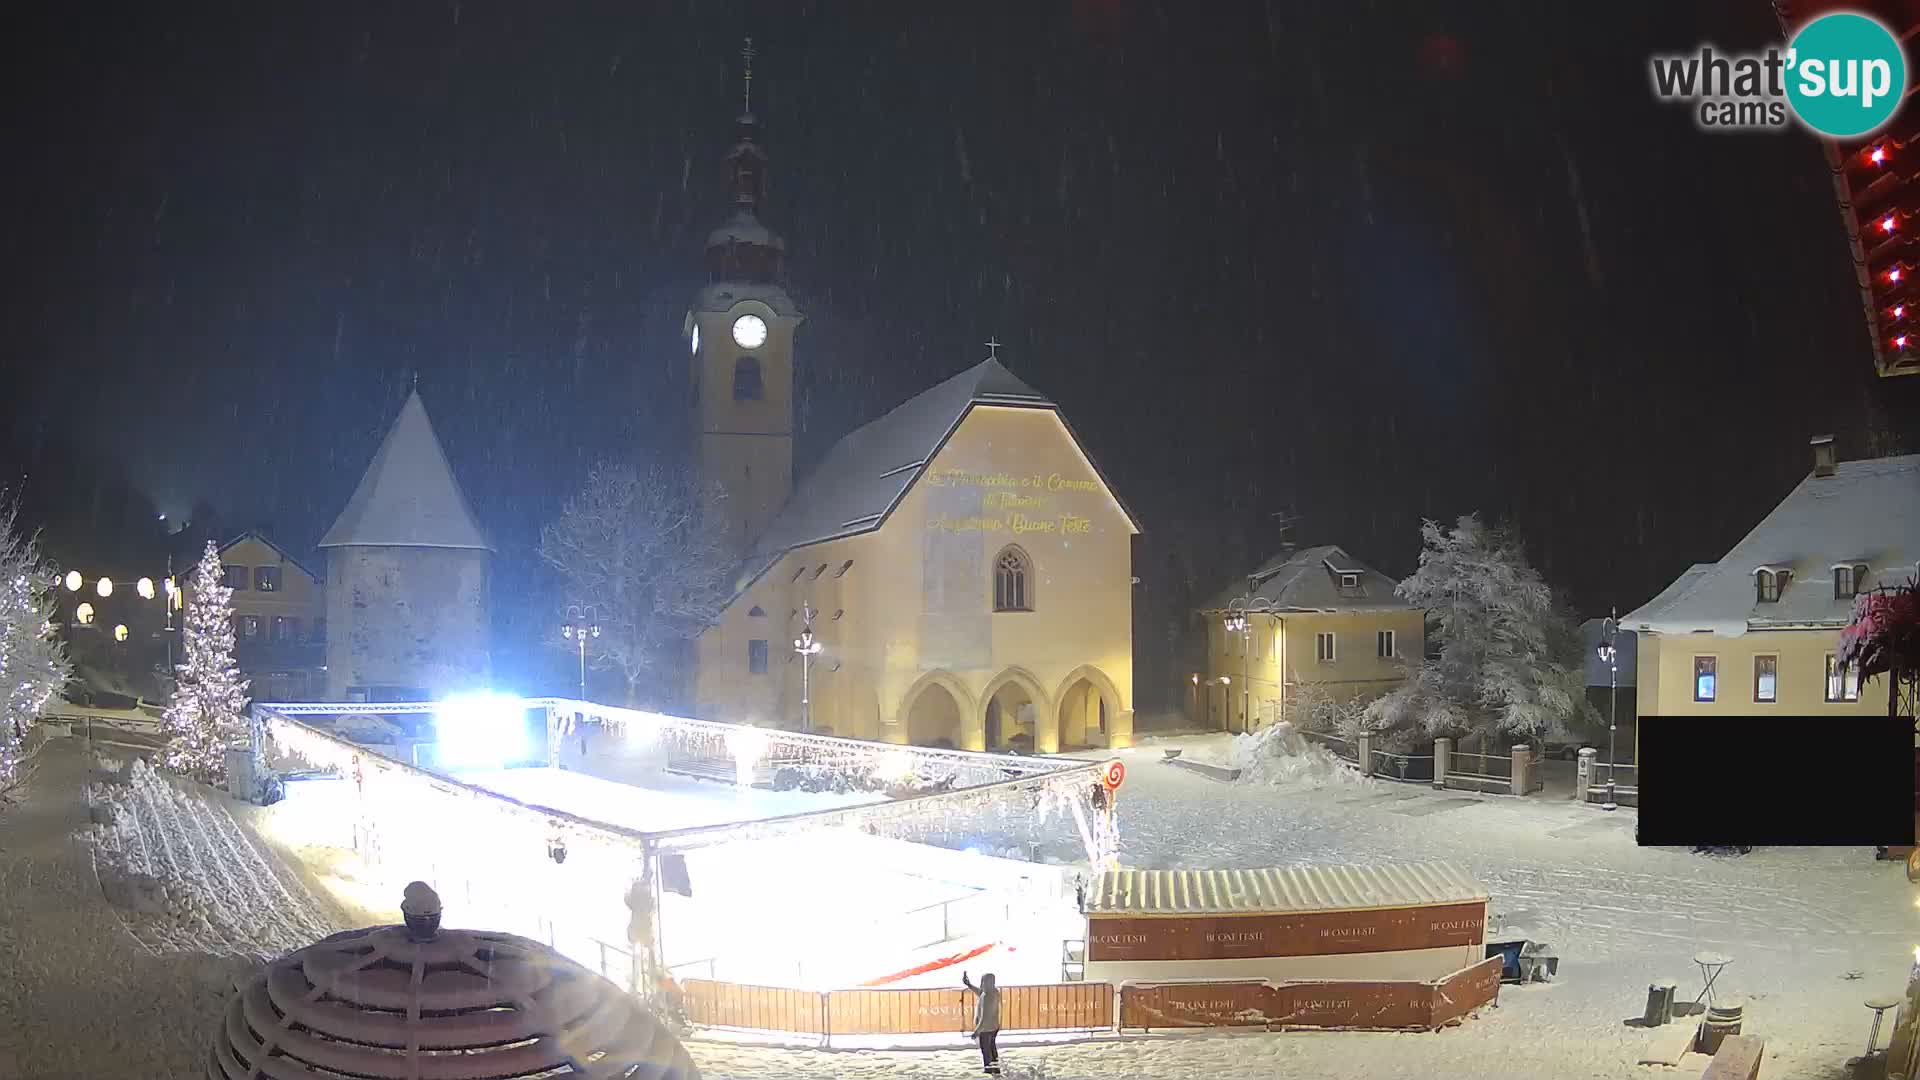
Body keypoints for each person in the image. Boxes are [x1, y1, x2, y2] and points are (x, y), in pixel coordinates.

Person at [961, 970, 1001, 1074]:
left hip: (986, 1028)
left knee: (986, 1051)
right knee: (992, 1049)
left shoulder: (987, 997)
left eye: (983, 981)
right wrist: (969, 985)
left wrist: (977, 1031)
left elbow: (985, 1018)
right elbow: (981, 992)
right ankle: (996, 1069)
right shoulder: (993, 992)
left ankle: (989, 1071)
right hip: (994, 1027)